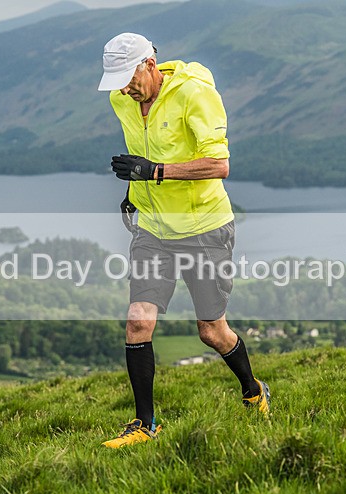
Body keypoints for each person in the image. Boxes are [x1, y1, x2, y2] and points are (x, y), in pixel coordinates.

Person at [97, 33, 270, 449]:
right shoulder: (121, 100)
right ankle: (144, 425)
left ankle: (253, 389)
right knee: (139, 320)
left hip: (205, 229)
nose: (123, 88)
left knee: (211, 330)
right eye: (116, 80)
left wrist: (154, 171)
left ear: (149, 64)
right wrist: (136, 189)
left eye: (128, 77)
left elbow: (219, 164)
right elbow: (143, 153)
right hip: (154, 230)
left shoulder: (195, 93)